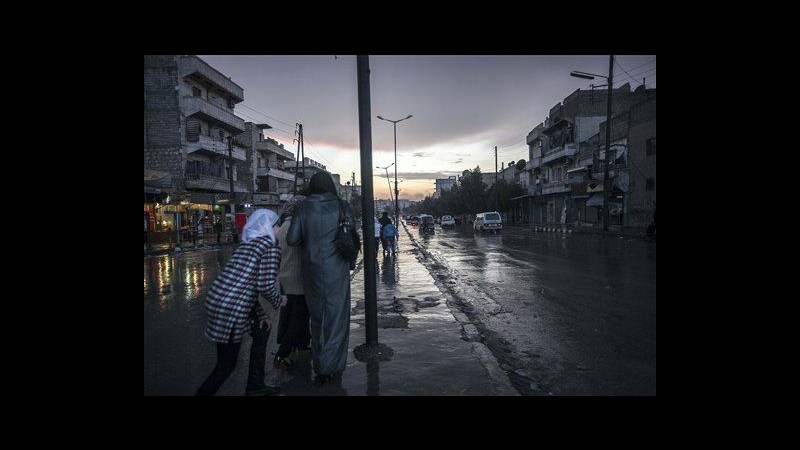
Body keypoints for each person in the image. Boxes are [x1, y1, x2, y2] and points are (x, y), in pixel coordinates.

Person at [195, 209, 287, 396]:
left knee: (262, 332)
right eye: (276, 225)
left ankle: (255, 386)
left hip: (218, 300)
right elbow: (265, 285)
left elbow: (247, 285)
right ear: (267, 227)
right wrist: (279, 301)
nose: (279, 229)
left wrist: (261, 315)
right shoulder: (270, 246)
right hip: (231, 307)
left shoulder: (248, 244)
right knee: (226, 365)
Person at [287, 172, 352, 383]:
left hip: (311, 270)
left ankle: (319, 363)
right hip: (337, 271)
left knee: (317, 318)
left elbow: (292, 239)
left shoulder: (303, 207)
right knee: (336, 318)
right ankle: (330, 365)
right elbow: (350, 238)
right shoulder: (342, 206)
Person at [274, 194, 311, 370]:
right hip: (297, 279)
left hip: (285, 278)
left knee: (294, 316)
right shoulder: (295, 228)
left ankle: (302, 345)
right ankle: (282, 355)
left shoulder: (282, 227)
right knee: (299, 318)